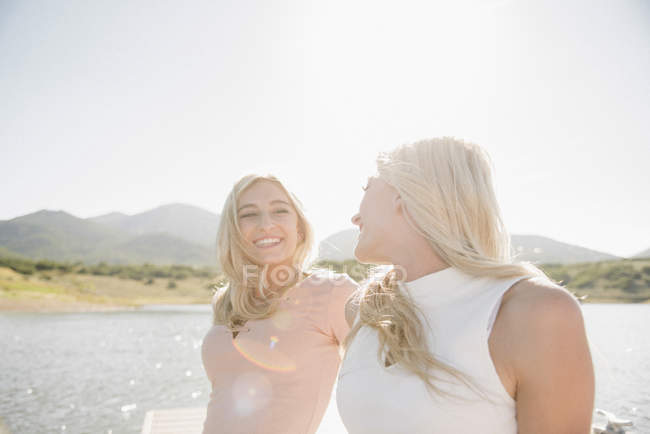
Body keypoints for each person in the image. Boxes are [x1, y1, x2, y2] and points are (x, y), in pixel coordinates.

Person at [336, 137, 595, 433]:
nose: (355, 217)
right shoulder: (363, 309)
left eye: (367, 188)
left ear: (404, 196)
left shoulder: (533, 313)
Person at [201, 174, 358, 434]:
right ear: (234, 229)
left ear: (299, 227)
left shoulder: (332, 292)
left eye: (280, 210)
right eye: (249, 214)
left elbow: (384, 381)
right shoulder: (225, 301)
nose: (266, 224)